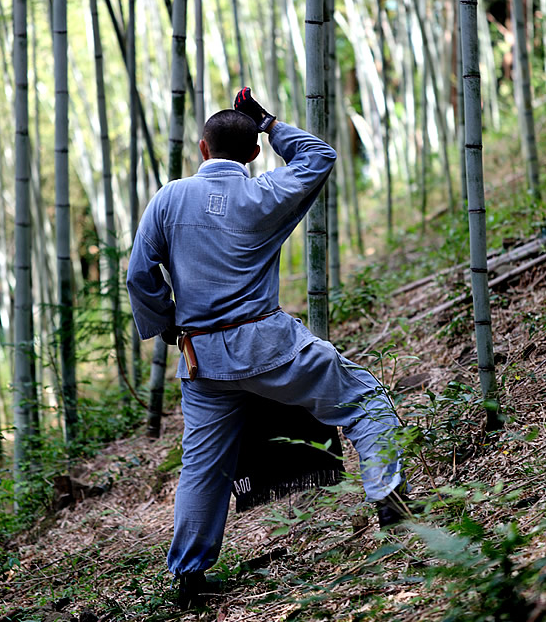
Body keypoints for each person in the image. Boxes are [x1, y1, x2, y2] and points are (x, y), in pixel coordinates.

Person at [127, 89, 408, 609]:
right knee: (364, 400)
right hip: (271, 348)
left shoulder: (168, 198)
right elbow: (320, 155)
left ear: (203, 151)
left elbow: (139, 275)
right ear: (255, 154)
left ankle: (188, 577)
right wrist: (269, 121)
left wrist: (167, 325)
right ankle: (389, 502)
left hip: (202, 360)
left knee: (203, 467)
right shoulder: (267, 193)